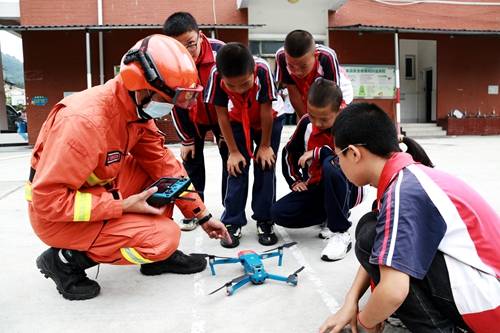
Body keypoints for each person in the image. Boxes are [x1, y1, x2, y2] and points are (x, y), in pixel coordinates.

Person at [27, 34, 231, 301]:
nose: (169, 108)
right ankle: (66, 261)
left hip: (100, 190)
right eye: (167, 99)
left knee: (163, 176)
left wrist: (202, 215)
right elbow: (48, 201)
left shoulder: (134, 110)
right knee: (164, 238)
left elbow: (165, 166)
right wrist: (121, 205)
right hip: (57, 217)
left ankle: (157, 260)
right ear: (142, 85)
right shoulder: (83, 124)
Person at [319, 103, 499, 333]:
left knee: (370, 238)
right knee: (370, 228)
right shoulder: (405, 178)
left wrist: (365, 322)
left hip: (491, 305)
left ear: (354, 154)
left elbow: (394, 291)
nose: (338, 165)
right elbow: (381, 248)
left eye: (337, 158)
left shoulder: (403, 191)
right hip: (487, 290)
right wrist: (350, 302)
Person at [272, 78, 363, 261]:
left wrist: (318, 152)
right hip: (316, 186)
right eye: (312, 116)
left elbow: (347, 160)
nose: (317, 123)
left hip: (349, 187)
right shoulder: (307, 123)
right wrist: (295, 180)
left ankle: (340, 232)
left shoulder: (351, 124)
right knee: (278, 213)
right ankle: (329, 215)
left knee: (331, 166)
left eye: (323, 119)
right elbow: (289, 151)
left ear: (338, 111)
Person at [204, 42, 284, 248]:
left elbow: (267, 110)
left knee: (265, 165)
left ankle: (265, 219)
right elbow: (220, 114)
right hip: (236, 119)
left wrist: (265, 146)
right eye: (231, 86)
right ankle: (232, 221)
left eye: (244, 83)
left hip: (269, 119)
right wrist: (232, 151)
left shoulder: (263, 69)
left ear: (253, 72)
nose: (238, 89)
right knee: (236, 168)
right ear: (222, 77)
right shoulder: (215, 74)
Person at [163, 12, 228, 232]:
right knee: (191, 163)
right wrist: (186, 138)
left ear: (200, 36)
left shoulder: (221, 51)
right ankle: (195, 212)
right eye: (179, 47)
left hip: (221, 116)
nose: (187, 53)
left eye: (191, 44)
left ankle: (229, 209)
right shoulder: (169, 60)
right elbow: (173, 102)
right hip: (191, 118)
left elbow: (233, 95)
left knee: (231, 161)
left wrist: (227, 131)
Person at [275, 30, 353, 119]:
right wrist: (307, 121)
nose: (297, 72)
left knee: (333, 123)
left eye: (303, 66)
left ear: (315, 55)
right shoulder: (281, 56)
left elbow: (331, 97)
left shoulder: (327, 57)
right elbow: (293, 93)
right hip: (306, 90)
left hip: (336, 91)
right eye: (291, 66)